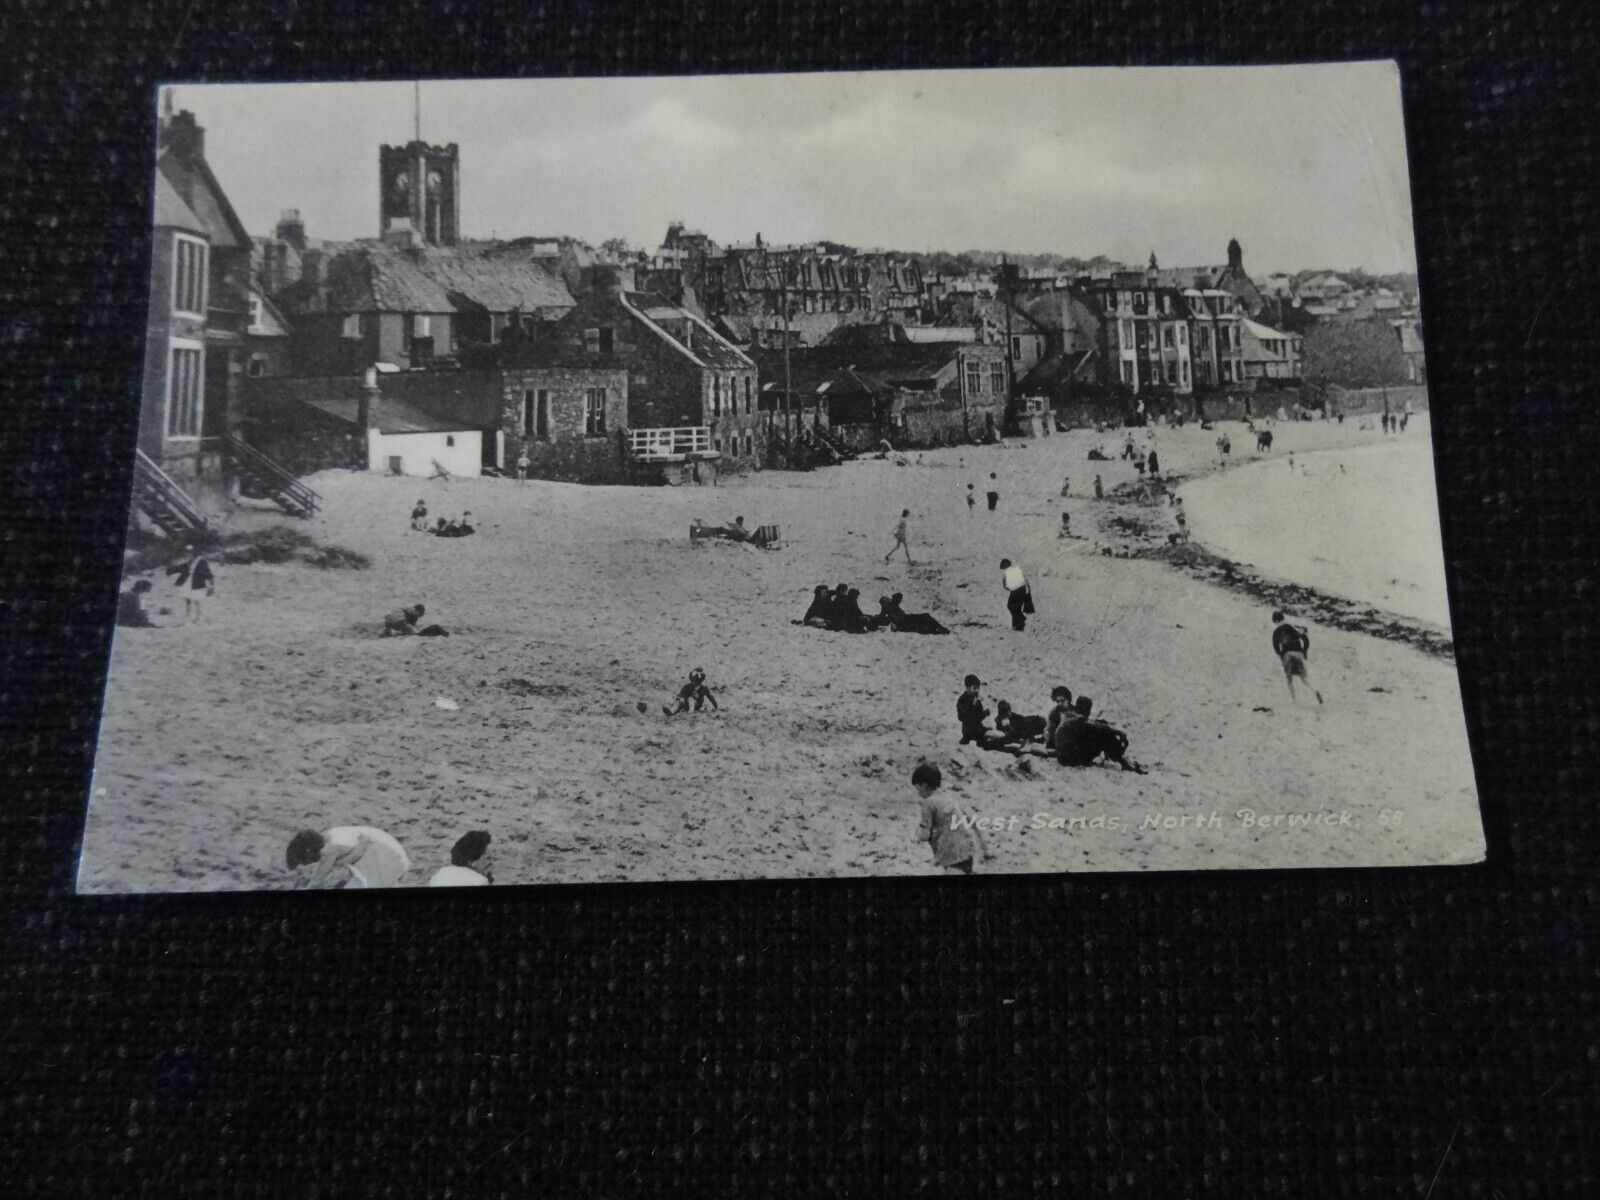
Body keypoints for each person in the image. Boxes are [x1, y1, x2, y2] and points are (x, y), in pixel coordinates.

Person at [911, 762, 983, 875]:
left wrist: (917, 836)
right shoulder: (950, 798)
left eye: (918, 789)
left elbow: (925, 835)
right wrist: (984, 847)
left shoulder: (928, 803)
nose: (918, 793)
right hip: (968, 851)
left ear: (924, 786)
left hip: (952, 857)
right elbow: (972, 821)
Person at [286, 826, 411, 889]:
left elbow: (318, 880)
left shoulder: (329, 850)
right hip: (389, 846)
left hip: (388, 855)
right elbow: (353, 854)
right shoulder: (328, 835)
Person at [1054, 697, 1146, 773]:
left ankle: (1121, 760)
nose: (1089, 713)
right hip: (1073, 759)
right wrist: (1117, 732)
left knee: (1101, 729)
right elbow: (1092, 725)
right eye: (1088, 710)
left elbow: (1091, 724)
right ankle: (1124, 762)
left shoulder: (1069, 716)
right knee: (1103, 734)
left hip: (1064, 758)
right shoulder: (1075, 719)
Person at [1271, 610, 1324, 704]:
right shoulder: (1293, 627)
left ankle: (1294, 700)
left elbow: (1276, 647)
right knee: (1304, 678)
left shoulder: (1276, 632)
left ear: (1275, 621)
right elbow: (1305, 639)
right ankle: (1315, 690)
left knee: (1289, 679)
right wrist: (1304, 651)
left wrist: (1281, 656)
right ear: (1283, 618)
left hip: (1287, 655)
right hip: (1298, 654)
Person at [429, 830, 493, 886]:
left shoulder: (439, 876)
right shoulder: (480, 882)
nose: (490, 863)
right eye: (487, 858)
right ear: (471, 862)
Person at [165, 550, 215, 622]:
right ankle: (188, 613)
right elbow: (182, 567)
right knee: (187, 597)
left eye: (190, 552)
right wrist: (171, 570)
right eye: (187, 552)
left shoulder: (202, 562)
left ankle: (198, 615)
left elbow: (208, 573)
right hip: (187, 582)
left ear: (194, 553)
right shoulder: (189, 561)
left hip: (197, 583)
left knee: (197, 599)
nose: (188, 554)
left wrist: (212, 586)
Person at [1000, 558, 1031, 632]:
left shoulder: (1007, 573)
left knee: (1011, 606)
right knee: (1016, 607)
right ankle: (1018, 626)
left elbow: (1007, 587)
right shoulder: (1016, 570)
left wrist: (1005, 583)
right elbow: (1025, 580)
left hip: (1016, 591)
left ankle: (1020, 621)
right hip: (1022, 590)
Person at [956, 674, 989, 745]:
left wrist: (984, 714)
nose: (976, 690)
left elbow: (978, 717)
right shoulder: (962, 700)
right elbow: (962, 717)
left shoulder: (976, 699)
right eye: (974, 687)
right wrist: (973, 706)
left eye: (978, 688)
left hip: (978, 729)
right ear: (968, 687)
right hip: (969, 732)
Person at [382, 603, 449, 637]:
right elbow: (411, 625)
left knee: (389, 634)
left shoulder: (405, 609)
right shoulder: (414, 611)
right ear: (420, 611)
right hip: (399, 620)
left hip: (388, 620)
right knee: (413, 634)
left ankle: (387, 634)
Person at [1045, 685, 1075, 751]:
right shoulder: (1054, 713)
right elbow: (1050, 731)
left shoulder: (1075, 711)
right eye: (1058, 701)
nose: (1060, 703)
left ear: (1068, 699)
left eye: (1063, 701)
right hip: (1057, 744)